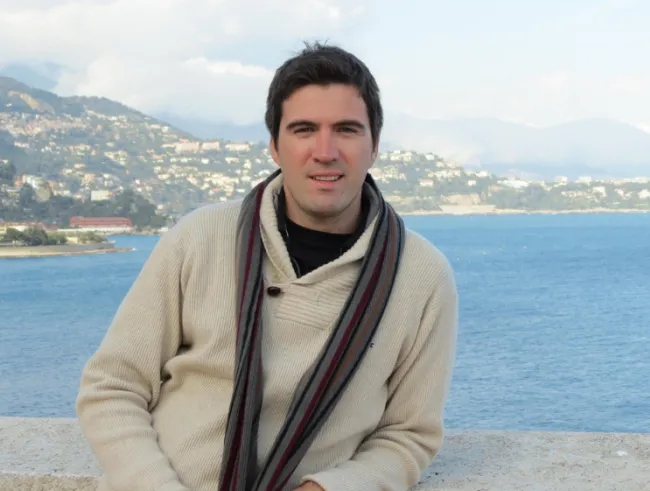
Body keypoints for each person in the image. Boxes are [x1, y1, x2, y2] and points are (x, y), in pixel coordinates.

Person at [75, 41, 459, 491]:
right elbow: (112, 387)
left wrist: (328, 489)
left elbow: (409, 436)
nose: (325, 150)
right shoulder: (200, 238)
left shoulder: (420, 276)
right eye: (303, 129)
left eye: (346, 129)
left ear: (374, 146)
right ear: (275, 147)